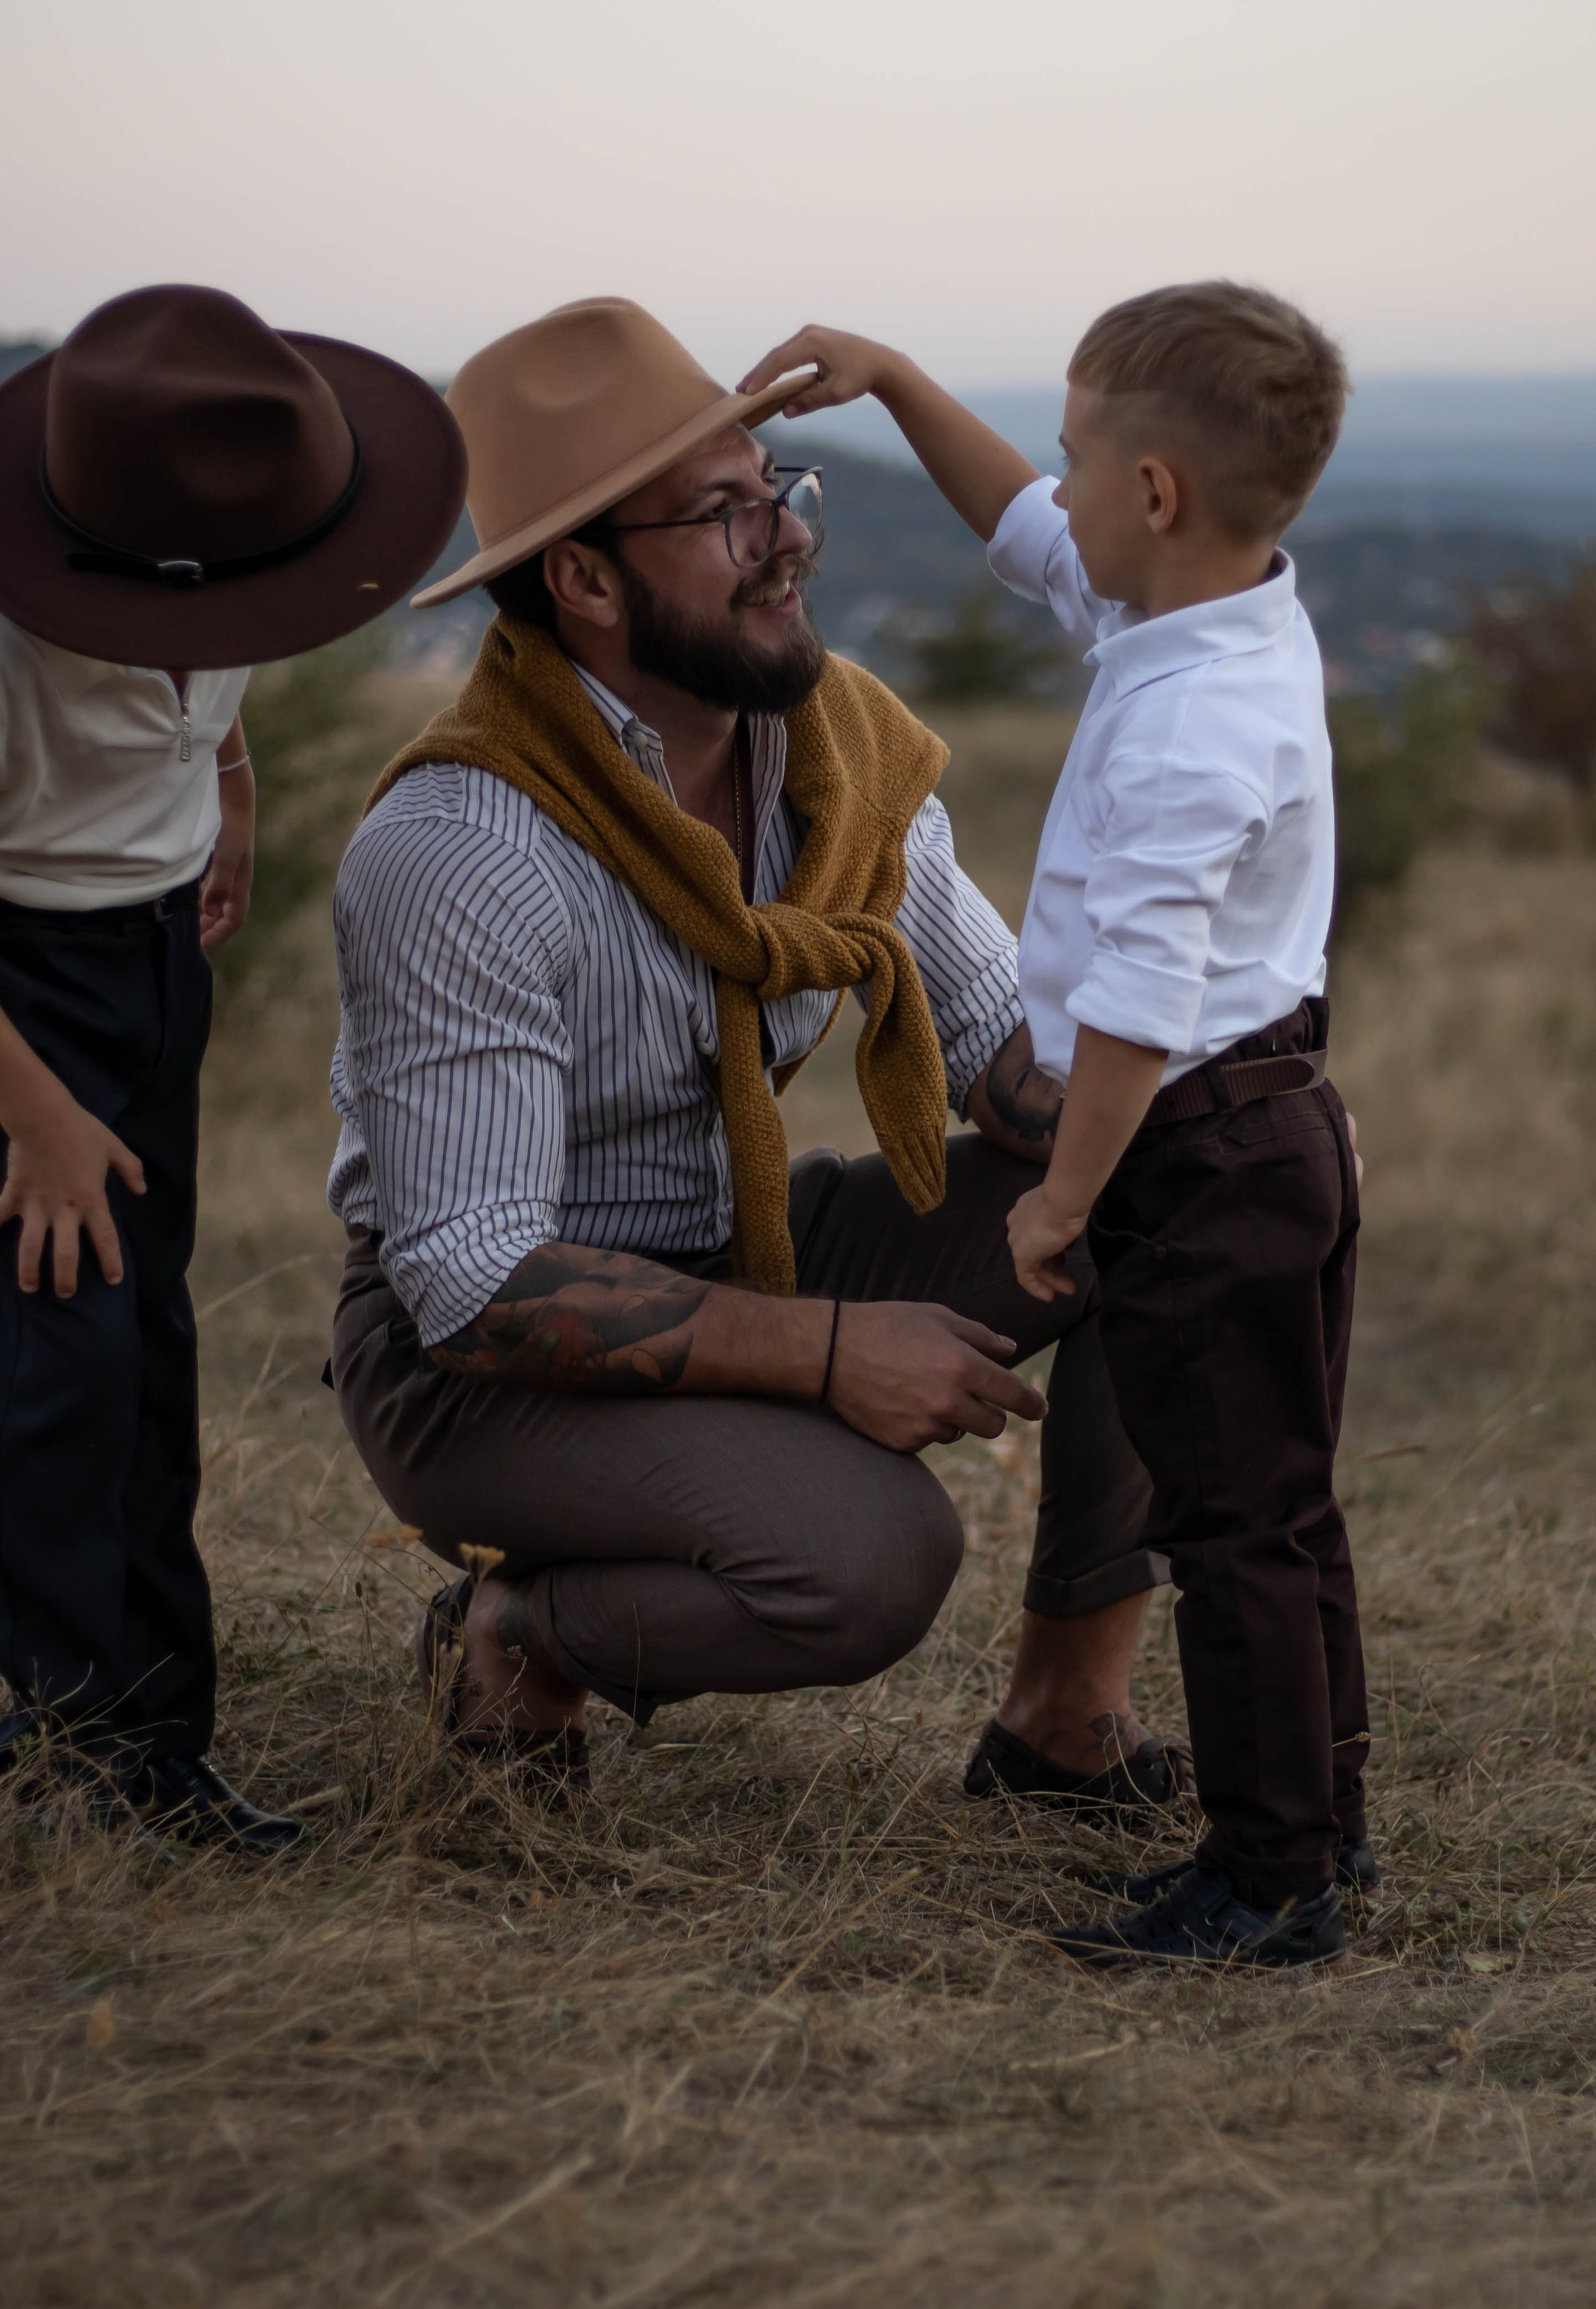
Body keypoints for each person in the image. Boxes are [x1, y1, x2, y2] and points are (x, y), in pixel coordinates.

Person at [327, 296, 1179, 1799]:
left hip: (749, 1240)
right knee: (868, 1558)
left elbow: (1002, 1050)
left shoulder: (836, 753)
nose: (788, 537)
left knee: (1180, 1196)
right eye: (726, 514)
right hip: (475, 1364)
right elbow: (468, 1279)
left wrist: (1229, 1133)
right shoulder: (464, 847)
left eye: (777, 488)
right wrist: (833, 1353)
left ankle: (1061, 1724)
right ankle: (516, 1635)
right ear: (584, 577)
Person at [742, 282, 1369, 1967]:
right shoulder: (1218, 612)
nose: (1056, 485)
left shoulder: (1181, 723)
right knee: (1283, 1512)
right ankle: (1324, 1821)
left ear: (1153, 493)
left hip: (1196, 1150)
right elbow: (1021, 523)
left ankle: (1267, 1880)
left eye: (1080, 455)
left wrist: (1058, 1201)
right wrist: (891, 381)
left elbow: (1137, 1010)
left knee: (1226, 1528)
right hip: (1273, 1123)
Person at [0, 284, 465, 1849]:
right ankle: (70, 1735)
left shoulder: (226, 558)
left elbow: (213, 679)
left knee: (150, 1340)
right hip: (11, 993)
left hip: (153, 964)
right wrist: (36, 1116)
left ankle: (160, 1733)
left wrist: (231, 795)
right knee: (63, 1356)